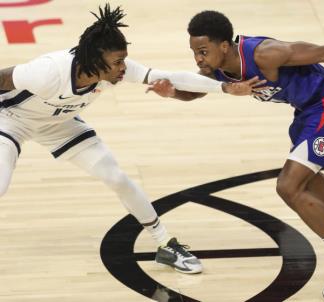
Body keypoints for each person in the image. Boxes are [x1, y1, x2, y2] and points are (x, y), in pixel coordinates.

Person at [147, 10, 324, 300]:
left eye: (203, 51)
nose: (198, 59)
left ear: (224, 46)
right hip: (307, 113)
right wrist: (171, 92)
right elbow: (197, 90)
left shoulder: (266, 54)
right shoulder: (216, 68)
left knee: (288, 186)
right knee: (308, 180)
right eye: (195, 52)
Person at [0, 5, 263, 275]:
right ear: (94, 61)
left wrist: (224, 87)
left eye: (124, 59)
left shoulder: (116, 71)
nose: (124, 68)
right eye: (118, 62)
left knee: (116, 177)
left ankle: (165, 245)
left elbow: (171, 77)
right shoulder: (48, 72)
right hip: (11, 119)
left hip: (59, 124)